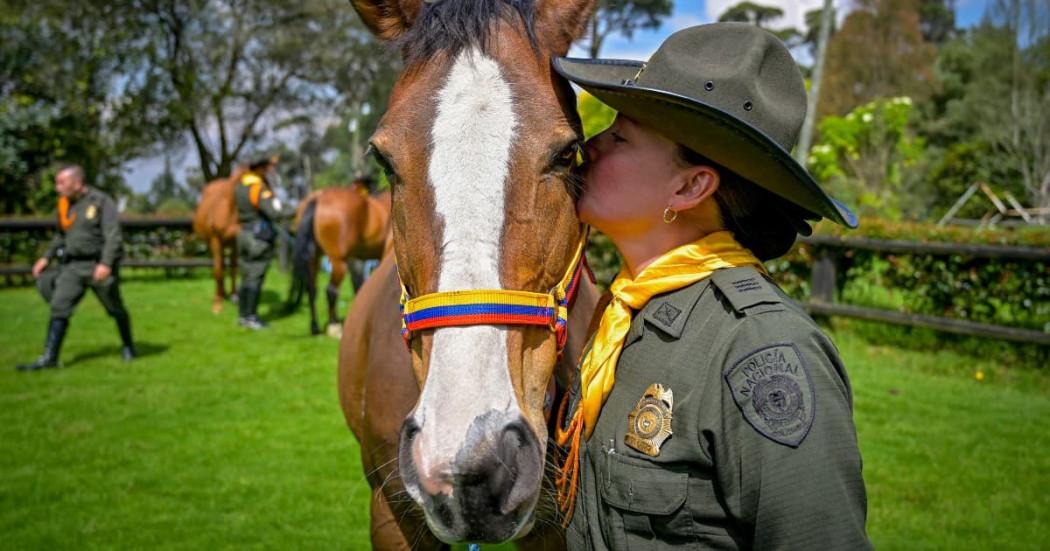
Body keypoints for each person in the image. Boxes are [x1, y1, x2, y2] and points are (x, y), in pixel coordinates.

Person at [551, 23, 871, 549]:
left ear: (690, 185)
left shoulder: (760, 346)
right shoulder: (624, 317)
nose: (589, 146)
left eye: (620, 135)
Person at [16, 165, 135, 371]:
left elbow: (113, 235)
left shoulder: (100, 202)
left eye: (62, 183)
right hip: (73, 266)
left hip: (98, 264)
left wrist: (106, 263)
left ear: (77, 183)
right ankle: (50, 358)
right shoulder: (65, 206)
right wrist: (46, 257)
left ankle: (128, 346)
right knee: (59, 307)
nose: (57, 188)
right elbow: (61, 235)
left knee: (114, 307)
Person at [234, 156, 285, 329]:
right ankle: (252, 317)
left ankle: (242, 315)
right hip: (258, 238)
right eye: (267, 169)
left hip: (243, 234)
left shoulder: (240, 187)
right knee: (256, 277)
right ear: (260, 169)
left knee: (246, 276)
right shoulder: (258, 188)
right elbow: (273, 212)